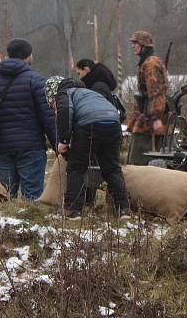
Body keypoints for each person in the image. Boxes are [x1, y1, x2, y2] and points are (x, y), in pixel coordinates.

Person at [0, 39, 56, 200]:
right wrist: (58, 143)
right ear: (28, 56)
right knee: (32, 196)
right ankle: (29, 223)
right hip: (31, 146)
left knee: (6, 194)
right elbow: (47, 116)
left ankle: (5, 223)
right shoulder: (35, 80)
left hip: (1, 146)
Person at [46, 76, 129, 217]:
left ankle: (72, 210)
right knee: (112, 169)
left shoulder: (64, 93)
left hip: (89, 124)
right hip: (113, 123)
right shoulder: (90, 93)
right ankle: (123, 209)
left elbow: (65, 110)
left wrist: (64, 140)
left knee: (76, 167)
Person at [127, 30, 169, 165]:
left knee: (139, 159)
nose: (133, 46)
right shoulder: (147, 61)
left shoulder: (150, 64)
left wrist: (155, 118)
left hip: (150, 119)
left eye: (135, 43)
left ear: (143, 45)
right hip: (147, 116)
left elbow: (156, 92)